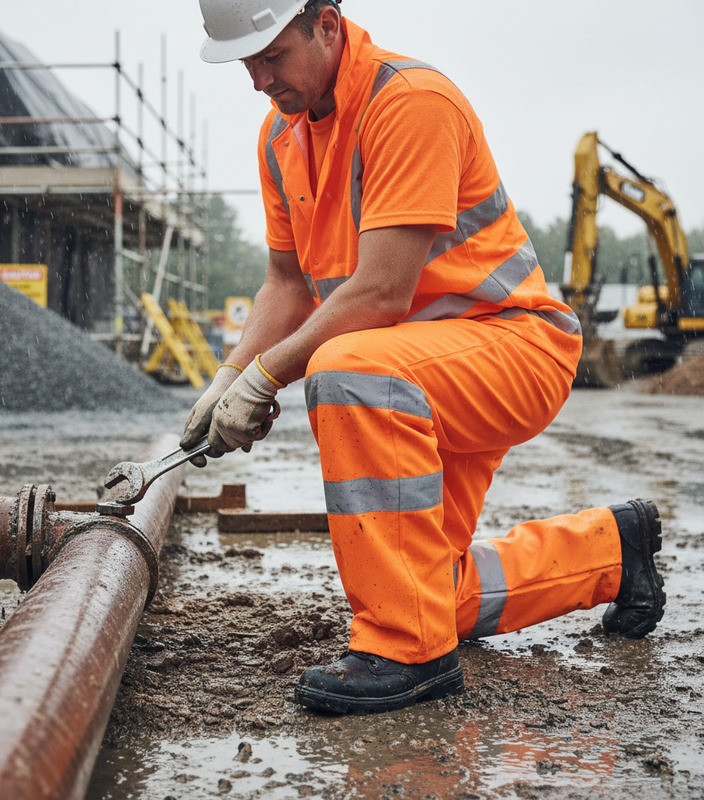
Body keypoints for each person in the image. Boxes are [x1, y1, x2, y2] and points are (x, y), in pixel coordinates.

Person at [181, 0, 666, 714]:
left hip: (510, 347)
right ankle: (610, 552)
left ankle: (407, 653)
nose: (258, 79)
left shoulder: (408, 101)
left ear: (327, 23)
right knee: (423, 589)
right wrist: (226, 376)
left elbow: (379, 292)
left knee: (344, 372)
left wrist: (264, 376)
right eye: (246, 64)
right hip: (413, 371)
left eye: (271, 56)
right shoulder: (278, 139)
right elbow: (286, 282)